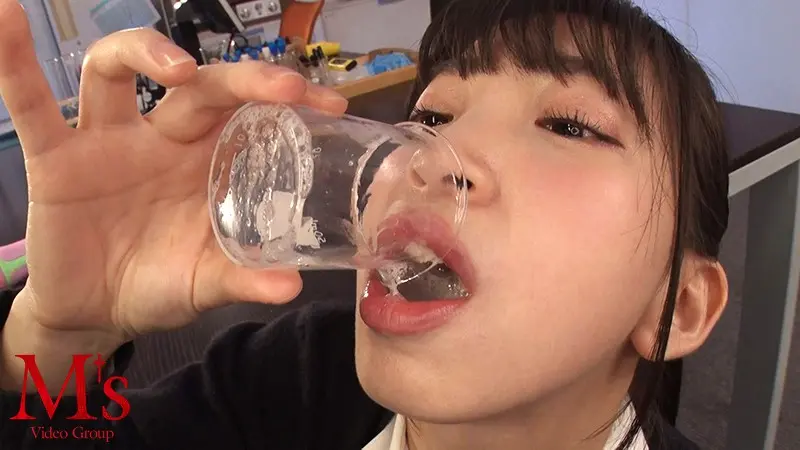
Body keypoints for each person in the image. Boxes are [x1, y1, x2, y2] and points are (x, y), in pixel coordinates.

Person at [0, 0, 729, 448]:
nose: (431, 161)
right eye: (433, 116)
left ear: (679, 303)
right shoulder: (292, 381)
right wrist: (59, 340)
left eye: (569, 125)